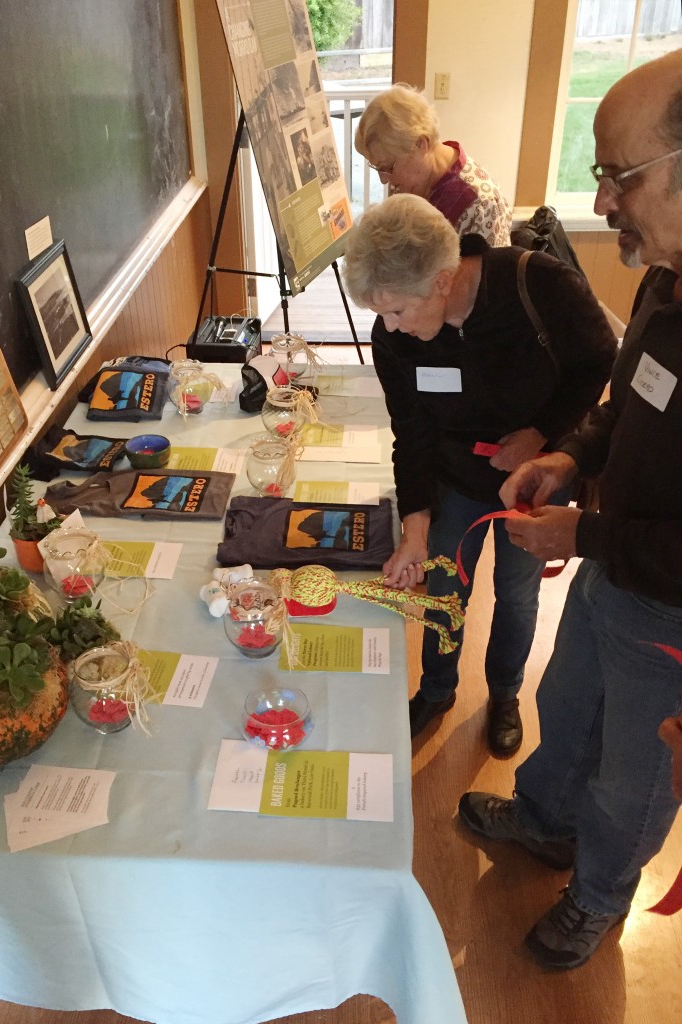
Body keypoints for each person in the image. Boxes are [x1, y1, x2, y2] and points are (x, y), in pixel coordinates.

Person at [458, 49, 682, 970]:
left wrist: (580, 530)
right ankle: (547, 822)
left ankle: (596, 897)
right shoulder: (665, 283)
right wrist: (567, 456)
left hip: (667, 613)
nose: (599, 204)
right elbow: (622, 409)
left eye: (616, 177)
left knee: (633, 777)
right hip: (610, 575)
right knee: (564, 696)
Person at [342, 193, 616, 755]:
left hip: (538, 473)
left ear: (442, 281)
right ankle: (438, 687)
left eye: (397, 310)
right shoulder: (396, 339)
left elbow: (597, 361)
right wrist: (415, 527)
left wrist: (542, 433)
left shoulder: (539, 285)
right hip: (454, 474)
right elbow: (411, 431)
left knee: (516, 594)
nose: (390, 327)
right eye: (380, 315)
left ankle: (505, 694)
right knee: (445, 586)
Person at [355, 83, 512, 246]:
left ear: (420, 144)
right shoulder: (411, 183)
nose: (384, 180)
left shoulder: (481, 204)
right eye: (378, 168)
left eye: (388, 167)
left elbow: (489, 271)